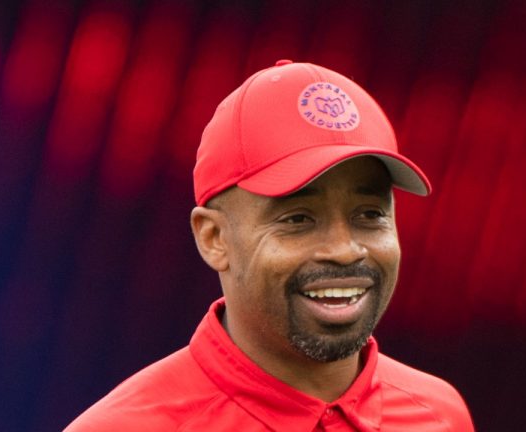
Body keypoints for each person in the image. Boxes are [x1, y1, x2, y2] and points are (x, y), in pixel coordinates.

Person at [65, 60, 474, 431]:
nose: (345, 249)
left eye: (369, 214)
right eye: (297, 219)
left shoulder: (441, 415)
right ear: (214, 238)